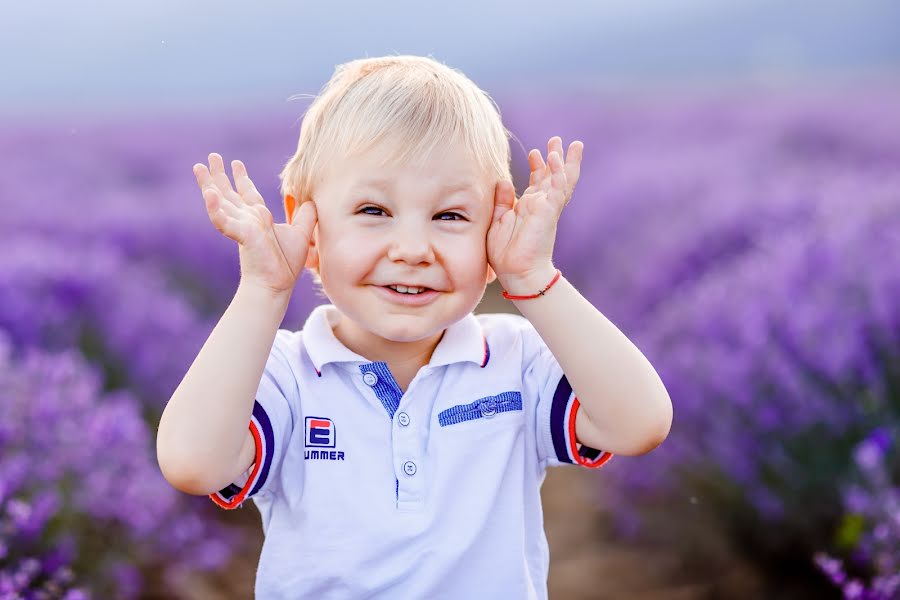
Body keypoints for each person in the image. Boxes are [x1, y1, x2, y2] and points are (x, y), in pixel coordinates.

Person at [156, 54, 672, 599]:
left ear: (493, 234)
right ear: (308, 226)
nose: (411, 250)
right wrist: (262, 292)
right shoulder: (287, 376)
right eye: (374, 211)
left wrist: (534, 278)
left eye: (450, 216)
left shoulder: (514, 360)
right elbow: (194, 465)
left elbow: (638, 423)